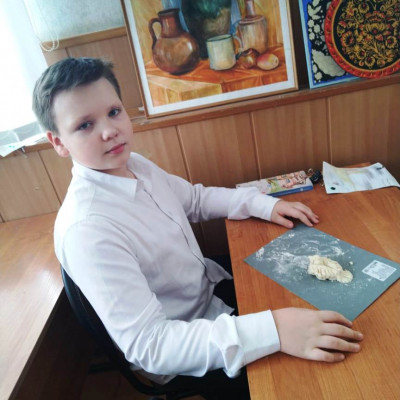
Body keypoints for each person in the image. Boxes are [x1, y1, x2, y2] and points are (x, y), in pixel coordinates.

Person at [32, 57, 363, 398]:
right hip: (189, 349)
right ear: (58, 142)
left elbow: (194, 199)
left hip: (209, 294)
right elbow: (152, 346)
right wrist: (276, 329)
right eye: (85, 125)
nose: (109, 131)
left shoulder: (134, 164)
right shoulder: (87, 230)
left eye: (114, 112)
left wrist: (264, 204)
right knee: (320, 382)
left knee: (321, 300)